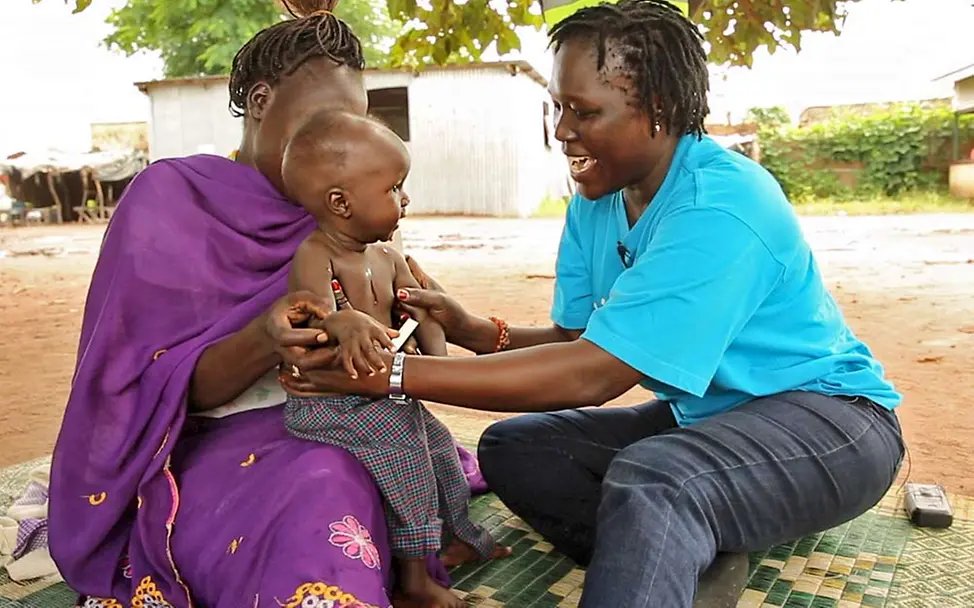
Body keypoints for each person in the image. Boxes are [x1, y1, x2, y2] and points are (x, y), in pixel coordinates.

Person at [277, 1, 907, 606]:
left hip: (833, 422)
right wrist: (475, 330)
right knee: (514, 449)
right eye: (558, 107)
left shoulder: (721, 208)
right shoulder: (598, 197)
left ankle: (675, 546)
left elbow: (595, 375)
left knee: (660, 478)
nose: (561, 130)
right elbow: (574, 336)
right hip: (713, 421)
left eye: (583, 111)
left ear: (655, 109)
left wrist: (386, 375)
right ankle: (690, 562)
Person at [47, 4, 483, 608]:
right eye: (325, 120)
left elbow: (392, 345)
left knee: (390, 461)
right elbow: (145, 387)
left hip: (354, 418)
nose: (342, 141)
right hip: (220, 440)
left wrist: (408, 315)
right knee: (324, 483)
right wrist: (266, 335)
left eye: (354, 122)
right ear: (259, 101)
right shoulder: (171, 200)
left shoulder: (345, 205)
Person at [280, 110, 505, 608]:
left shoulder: (389, 256)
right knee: (407, 461)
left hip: (389, 394)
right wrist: (340, 321)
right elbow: (312, 318)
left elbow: (422, 316)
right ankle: (414, 580)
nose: (405, 199)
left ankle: (452, 539)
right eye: (394, 188)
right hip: (335, 403)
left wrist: (442, 366)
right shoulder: (315, 255)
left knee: (443, 450)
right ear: (340, 203)